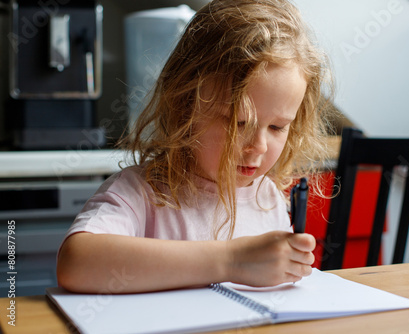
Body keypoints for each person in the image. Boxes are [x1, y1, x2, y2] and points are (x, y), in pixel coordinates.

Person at [57, 0, 334, 294]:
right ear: (185, 105)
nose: (258, 146)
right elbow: (75, 264)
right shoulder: (141, 193)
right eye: (238, 123)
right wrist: (231, 260)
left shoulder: (269, 200)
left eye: (277, 127)